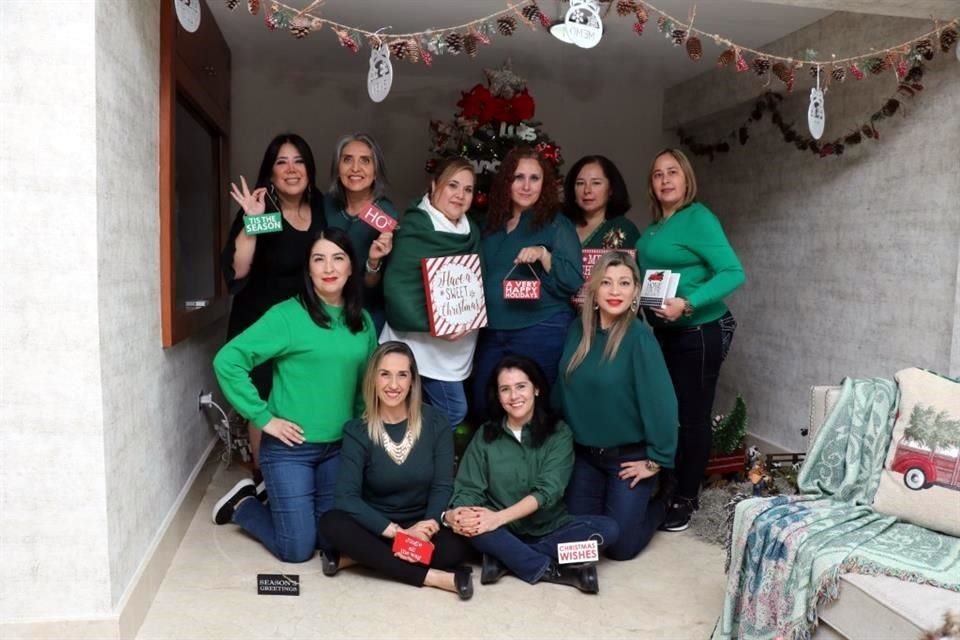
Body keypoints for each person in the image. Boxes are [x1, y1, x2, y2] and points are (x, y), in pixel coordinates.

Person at [211, 228, 377, 563]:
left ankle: (280, 502)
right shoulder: (287, 316)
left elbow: (365, 384)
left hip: (337, 449)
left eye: (338, 258)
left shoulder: (362, 320)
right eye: (319, 259)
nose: (329, 267)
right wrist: (263, 418)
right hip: (290, 450)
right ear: (309, 269)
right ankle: (244, 504)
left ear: (350, 268)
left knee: (327, 540)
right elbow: (227, 361)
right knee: (297, 549)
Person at [636, 148, 745, 532]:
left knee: (691, 417)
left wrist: (689, 302)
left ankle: (686, 497)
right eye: (658, 174)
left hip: (699, 331)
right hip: (663, 333)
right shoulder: (654, 229)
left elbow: (733, 272)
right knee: (667, 412)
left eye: (673, 173)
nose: (665, 180)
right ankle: (668, 485)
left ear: (686, 179)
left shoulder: (699, 218)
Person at [447, 355, 619, 594]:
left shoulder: (559, 433)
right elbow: (468, 487)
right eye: (505, 389)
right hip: (499, 530)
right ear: (497, 396)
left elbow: (547, 491)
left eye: (521, 386)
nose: (514, 396)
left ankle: (504, 558)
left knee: (608, 530)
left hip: (549, 528)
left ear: (536, 388)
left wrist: (498, 518)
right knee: (473, 529)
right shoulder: (486, 434)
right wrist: (462, 514)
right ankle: (555, 570)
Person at [318, 342, 474, 600]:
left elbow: (442, 485)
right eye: (385, 374)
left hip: (422, 522)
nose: (393, 384)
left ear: (413, 380)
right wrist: (399, 534)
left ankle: (358, 558)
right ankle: (434, 578)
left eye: (402, 374)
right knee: (332, 524)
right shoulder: (357, 431)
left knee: (457, 547)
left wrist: (429, 525)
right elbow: (346, 498)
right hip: (376, 526)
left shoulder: (437, 422)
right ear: (373, 380)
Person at [553, 251, 678, 561]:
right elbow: (563, 390)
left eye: (624, 283)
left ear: (635, 291)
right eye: (606, 283)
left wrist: (655, 461)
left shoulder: (640, 339)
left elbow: (662, 403)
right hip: (585, 457)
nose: (615, 291)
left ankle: (661, 502)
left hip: (628, 459)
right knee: (579, 543)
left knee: (621, 549)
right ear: (594, 290)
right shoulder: (577, 332)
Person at [222, 133, 327, 489]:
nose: (291, 169)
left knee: (298, 392)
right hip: (262, 321)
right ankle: (263, 478)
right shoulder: (262, 210)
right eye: (281, 162)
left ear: (310, 170)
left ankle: (298, 470)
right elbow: (237, 270)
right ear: (270, 171)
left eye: (298, 161)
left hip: (305, 321)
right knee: (264, 400)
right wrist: (251, 221)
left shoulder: (321, 209)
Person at [472, 146, 583, 418]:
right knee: (482, 402)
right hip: (492, 330)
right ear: (507, 182)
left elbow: (573, 280)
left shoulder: (556, 224)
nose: (526, 185)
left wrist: (545, 255)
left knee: (538, 408)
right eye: (518, 177)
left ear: (544, 184)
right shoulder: (491, 224)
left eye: (534, 178)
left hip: (540, 329)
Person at [381, 157, 480, 430]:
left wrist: (468, 319)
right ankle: (419, 462)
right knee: (452, 410)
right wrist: (435, 325)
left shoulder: (472, 231)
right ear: (435, 186)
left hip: (455, 347)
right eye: (453, 185)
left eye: (468, 189)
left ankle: (420, 463)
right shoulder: (415, 228)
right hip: (416, 344)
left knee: (419, 411)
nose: (460, 195)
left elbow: (475, 286)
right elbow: (399, 288)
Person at [324, 133, 398, 334]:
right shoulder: (324, 206)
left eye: (365, 161)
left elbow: (378, 287)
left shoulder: (387, 217)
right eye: (347, 159)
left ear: (376, 171)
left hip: (367, 313)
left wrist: (373, 263)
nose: (355, 168)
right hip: (324, 309)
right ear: (337, 168)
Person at [563, 155, 640, 249]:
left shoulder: (624, 228)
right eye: (580, 183)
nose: (587, 190)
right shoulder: (560, 226)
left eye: (596, 183)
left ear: (611, 189)